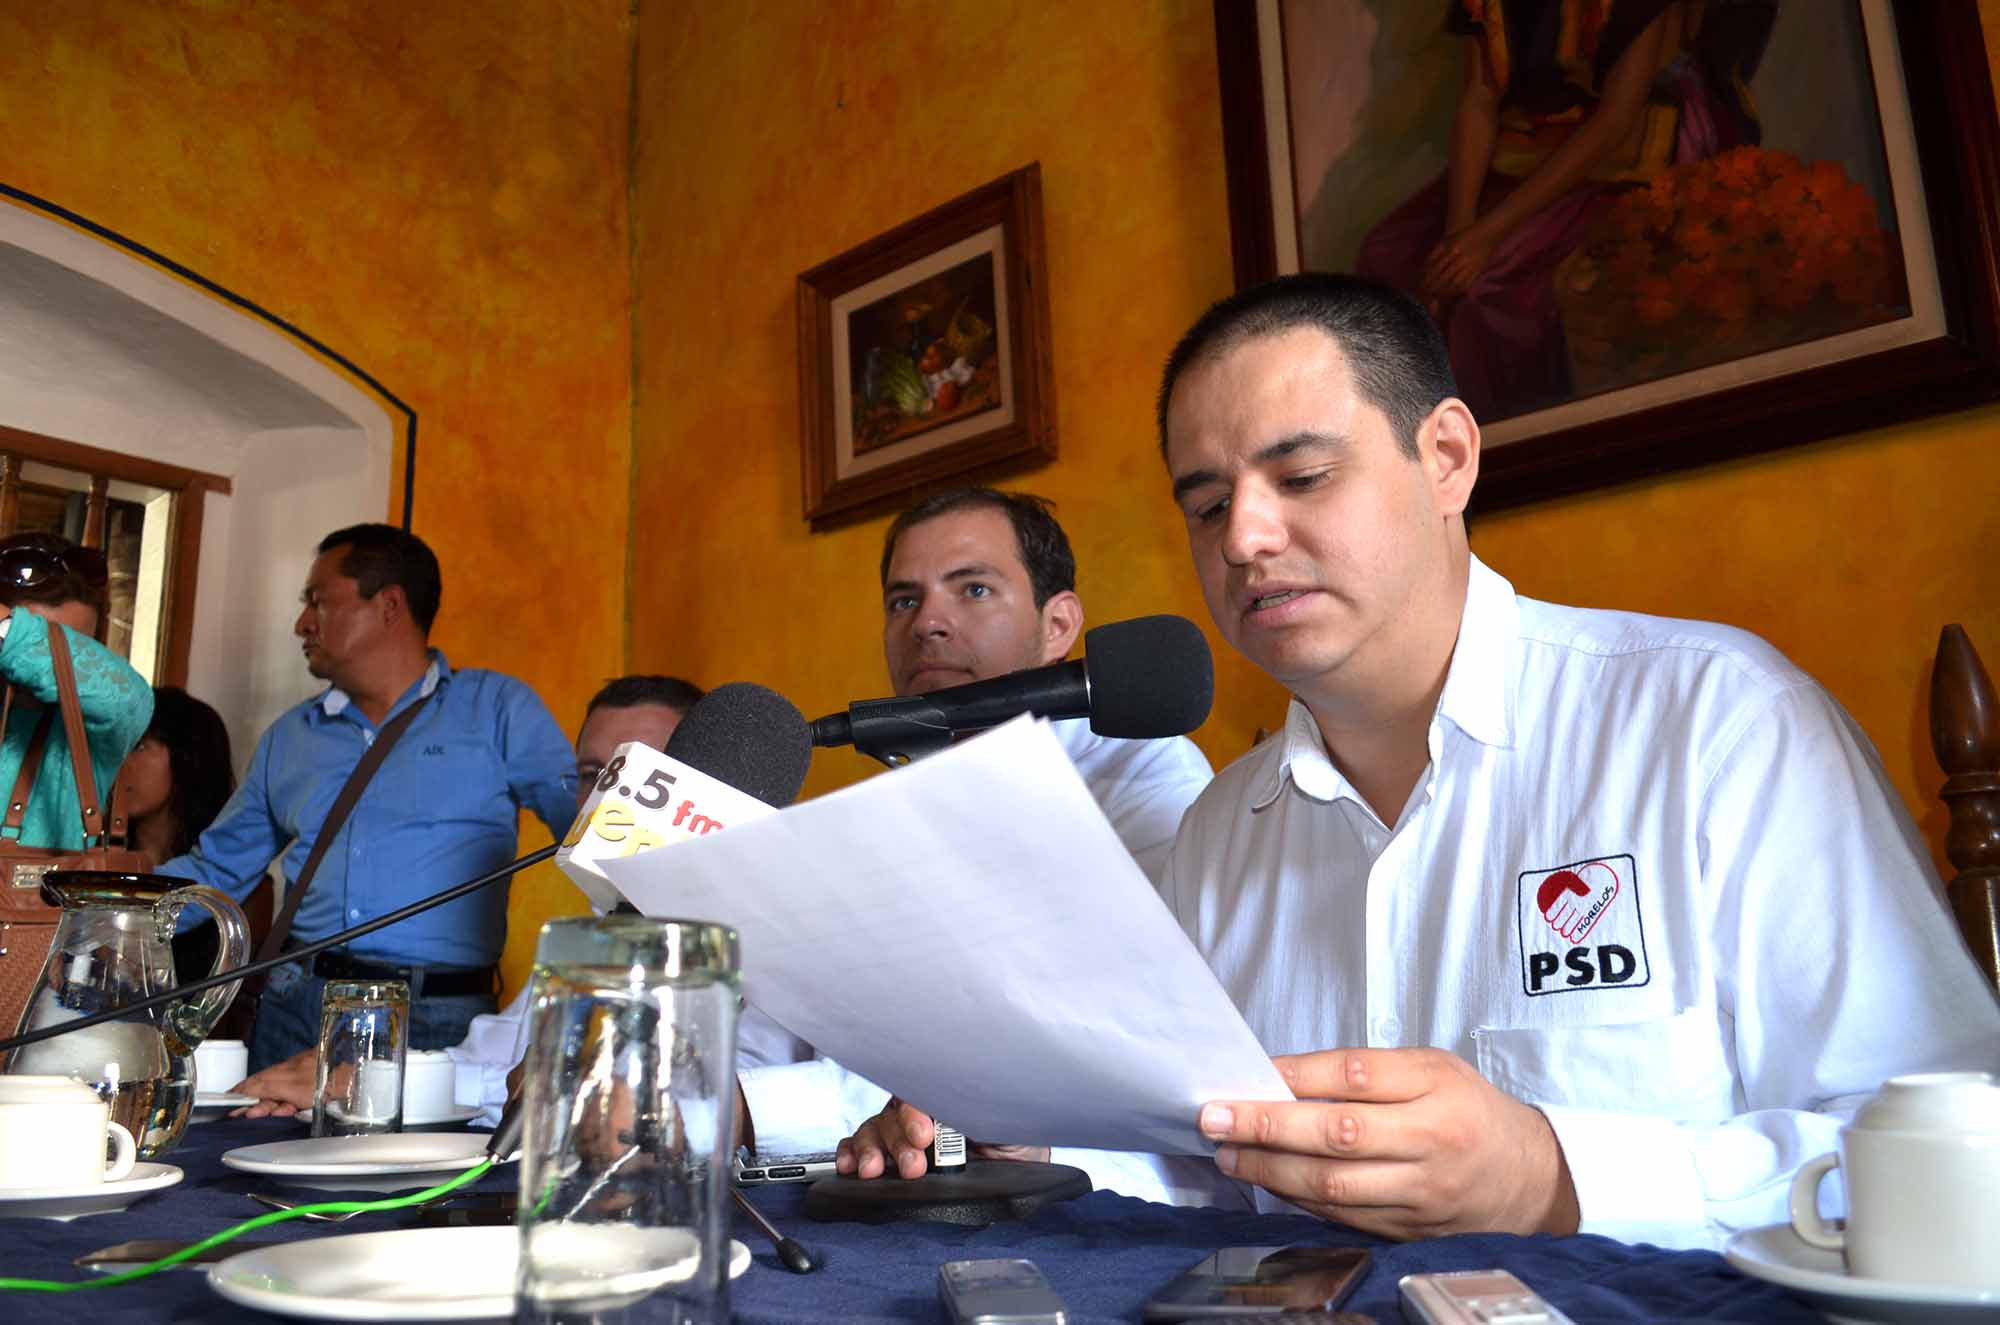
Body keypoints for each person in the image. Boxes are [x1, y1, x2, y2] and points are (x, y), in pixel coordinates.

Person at [843, 274, 2000, 1250]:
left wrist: (1552, 1175)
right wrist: (1032, 1140)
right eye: (1206, 505)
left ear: (1444, 456)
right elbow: (1210, 1161)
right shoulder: (1219, 834)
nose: (1243, 537)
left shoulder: (1714, 725)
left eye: (1300, 477)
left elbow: (1961, 1151)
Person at [745, 488, 1215, 1188]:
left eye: (973, 589)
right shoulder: (871, 811)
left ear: (1058, 624)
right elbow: (764, 1040)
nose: (927, 623)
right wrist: (690, 1101)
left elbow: (1090, 1054)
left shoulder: (1143, 774)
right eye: (904, 600)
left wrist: (750, 1110)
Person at [227, 674, 756, 1117]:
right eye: (594, 774)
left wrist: (374, 1085)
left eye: (642, 774)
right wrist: (357, 1080)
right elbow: (492, 1057)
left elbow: (725, 1097)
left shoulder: (769, 925)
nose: (609, 796)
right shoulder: (600, 928)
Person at [156, 524, 577, 1070]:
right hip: (296, 1008)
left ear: (390, 605)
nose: (302, 623)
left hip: (436, 1020)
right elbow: (217, 868)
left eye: (318, 600)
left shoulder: (498, 710)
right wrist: (101, 914)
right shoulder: (290, 736)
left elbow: (590, 832)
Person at [1355, 0, 1772, 418]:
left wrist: (1487, 234)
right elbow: (1479, 98)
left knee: (1486, 298)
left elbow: (1614, 120)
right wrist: (1457, 233)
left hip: (1613, 162)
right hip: (1524, 150)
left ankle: (1512, 440)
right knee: (1385, 256)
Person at [0, 532, 151, 850]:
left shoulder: (94, 730)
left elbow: (130, 700)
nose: (46, 669)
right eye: (40, 642)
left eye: (75, 647)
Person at [112, 686, 244, 982]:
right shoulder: (96, 870)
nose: (120, 762)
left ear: (189, 758)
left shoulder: (237, 889)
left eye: (139, 746)